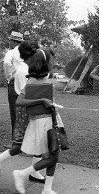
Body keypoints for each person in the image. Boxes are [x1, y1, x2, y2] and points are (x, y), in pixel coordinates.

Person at [13, 48, 63, 194]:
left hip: (50, 119)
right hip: (42, 123)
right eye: (51, 60)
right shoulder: (33, 80)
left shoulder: (43, 77)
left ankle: (47, 189)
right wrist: (41, 100)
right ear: (44, 62)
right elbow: (19, 101)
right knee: (53, 157)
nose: (53, 62)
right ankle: (21, 174)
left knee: (54, 156)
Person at [0, 41, 46, 183]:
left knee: (39, 141)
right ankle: (32, 172)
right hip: (27, 108)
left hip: (26, 108)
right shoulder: (25, 70)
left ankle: (35, 172)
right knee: (19, 145)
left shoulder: (22, 67)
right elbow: (30, 92)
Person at [3, 31, 23, 146]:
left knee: (14, 112)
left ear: (14, 41)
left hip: (14, 83)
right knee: (26, 111)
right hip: (26, 84)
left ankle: (16, 142)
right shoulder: (28, 52)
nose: (9, 42)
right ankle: (28, 141)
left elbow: (6, 62)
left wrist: (9, 77)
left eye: (10, 40)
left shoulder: (11, 52)